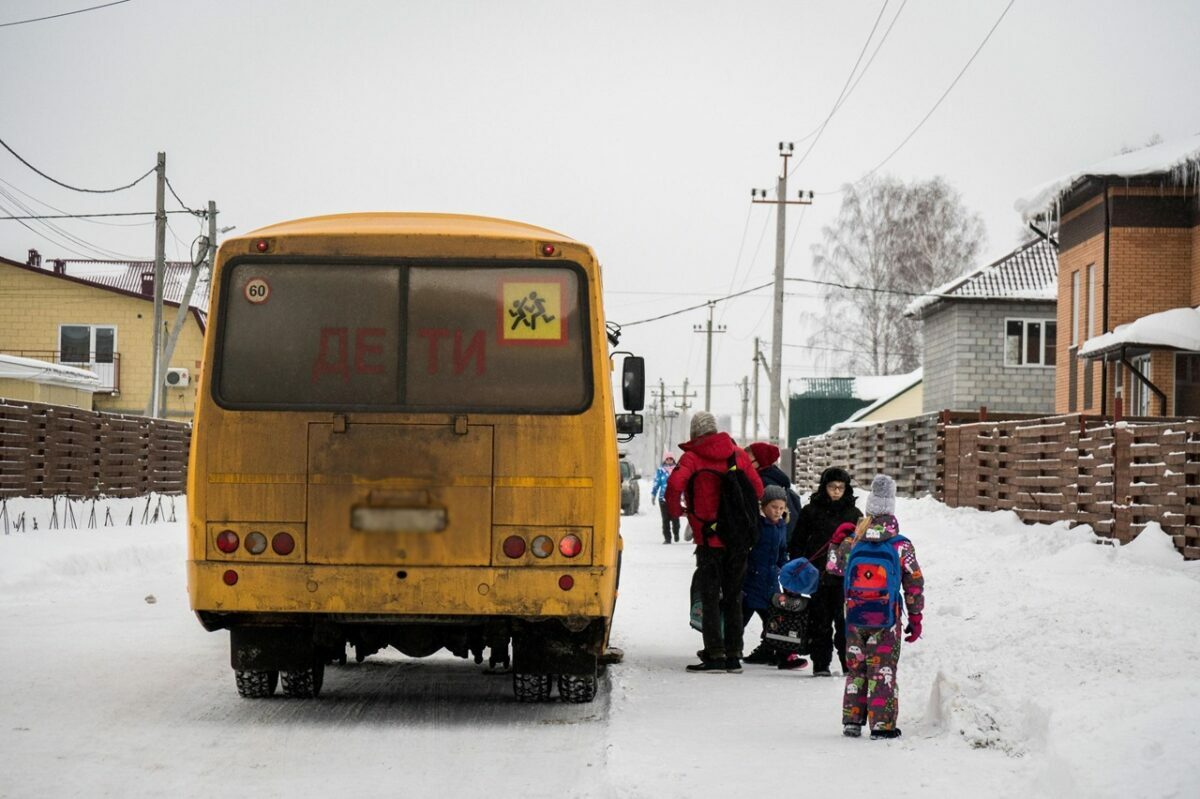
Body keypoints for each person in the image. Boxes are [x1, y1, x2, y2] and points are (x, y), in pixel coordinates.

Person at [666, 411, 764, 674]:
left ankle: (715, 654)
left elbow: (675, 484)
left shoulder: (692, 457)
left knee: (709, 596)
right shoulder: (737, 454)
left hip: (709, 538)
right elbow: (757, 489)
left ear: (695, 432)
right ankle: (733, 655)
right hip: (738, 540)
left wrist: (677, 512)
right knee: (733, 596)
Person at [832, 474, 924, 740]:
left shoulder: (854, 541)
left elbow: (834, 568)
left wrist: (838, 543)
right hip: (886, 620)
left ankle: (852, 721)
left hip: (855, 617)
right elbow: (914, 583)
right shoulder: (900, 545)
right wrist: (915, 617)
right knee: (882, 670)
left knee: (857, 669)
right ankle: (882, 726)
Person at [789, 466, 862, 676]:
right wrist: (797, 568)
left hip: (845, 579)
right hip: (817, 576)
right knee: (819, 622)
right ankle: (821, 664)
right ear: (824, 487)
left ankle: (848, 664)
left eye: (841, 487)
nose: (836, 491)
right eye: (832, 487)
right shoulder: (811, 511)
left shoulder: (854, 514)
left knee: (845, 624)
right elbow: (798, 542)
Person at [741, 485, 790, 666]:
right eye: (773, 507)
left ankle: (769, 649)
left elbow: (782, 551)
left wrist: (785, 569)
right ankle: (729, 649)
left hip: (770, 581)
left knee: (774, 619)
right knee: (741, 618)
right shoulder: (757, 524)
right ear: (763, 506)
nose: (777, 512)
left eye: (781, 508)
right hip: (751, 580)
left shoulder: (781, 526)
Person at [745, 442, 803, 545]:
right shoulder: (776, 477)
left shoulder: (763, 483)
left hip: (771, 540)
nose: (744, 464)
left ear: (760, 462)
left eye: (748, 461)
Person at [650, 453, 680, 543]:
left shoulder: (678, 470)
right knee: (665, 519)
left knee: (675, 518)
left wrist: (683, 496)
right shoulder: (661, 470)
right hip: (663, 499)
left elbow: (682, 483)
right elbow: (657, 483)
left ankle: (676, 533)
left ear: (673, 460)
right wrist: (653, 495)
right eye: (667, 459)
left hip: (675, 498)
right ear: (665, 460)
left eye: (671, 459)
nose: (669, 460)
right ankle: (667, 538)